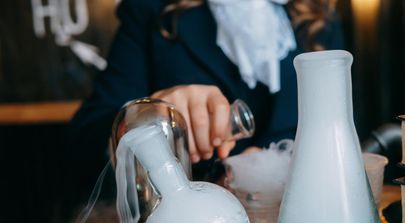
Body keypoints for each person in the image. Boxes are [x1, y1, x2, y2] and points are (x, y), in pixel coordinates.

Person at [66, 0, 344, 206]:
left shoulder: (318, 19)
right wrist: (151, 116)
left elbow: (343, 135)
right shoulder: (150, 10)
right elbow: (84, 138)